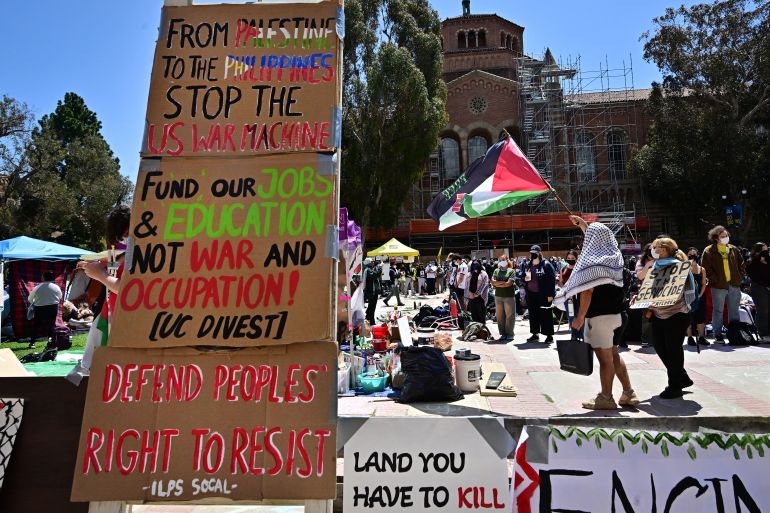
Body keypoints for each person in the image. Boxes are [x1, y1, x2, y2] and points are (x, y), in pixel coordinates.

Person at [560, 216, 639, 410]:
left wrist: (579, 318)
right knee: (613, 354)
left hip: (600, 316)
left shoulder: (592, 263)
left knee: (605, 360)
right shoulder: (615, 258)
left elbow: (588, 291)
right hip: (619, 315)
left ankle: (606, 397)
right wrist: (584, 226)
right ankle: (629, 392)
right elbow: (596, 239)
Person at [648, 237, 697, 399]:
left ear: (665, 249)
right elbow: (650, 287)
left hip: (676, 314)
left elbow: (677, 291)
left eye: (656, 247)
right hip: (658, 314)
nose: (653, 250)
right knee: (660, 347)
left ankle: (674, 386)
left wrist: (659, 301)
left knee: (673, 350)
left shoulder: (678, 266)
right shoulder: (655, 265)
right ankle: (681, 377)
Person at [702, 226, 745, 342]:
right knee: (718, 310)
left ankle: (734, 333)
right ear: (716, 238)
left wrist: (739, 277)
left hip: (734, 284)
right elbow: (706, 268)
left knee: (734, 310)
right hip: (718, 286)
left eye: (726, 236)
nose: (726, 238)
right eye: (723, 236)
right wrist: (714, 280)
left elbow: (742, 264)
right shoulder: (709, 251)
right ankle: (718, 334)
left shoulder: (734, 249)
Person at [519, 245, 556, 343]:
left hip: (543, 294)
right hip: (531, 294)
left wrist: (550, 294)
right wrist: (523, 278)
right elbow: (526, 278)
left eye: (534, 253)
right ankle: (535, 334)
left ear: (539, 253)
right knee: (533, 314)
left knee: (546, 315)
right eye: (531, 253)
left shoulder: (546, 264)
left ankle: (549, 336)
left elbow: (551, 280)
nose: (532, 254)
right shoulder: (528, 264)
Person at [27, 270, 63, 348]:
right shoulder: (56, 287)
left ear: (43, 278)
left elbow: (30, 299)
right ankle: (50, 342)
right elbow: (60, 297)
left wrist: (36, 301)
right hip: (53, 307)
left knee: (36, 325)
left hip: (40, 308)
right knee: (51, 325)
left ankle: (32, 343)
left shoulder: (37, 287)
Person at [685, 247, 709, 347]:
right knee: (689, 317)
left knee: (701, 317)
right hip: (688, 296)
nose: (692, 256)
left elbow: (704, 283)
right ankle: (690, 337)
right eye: (690, 254)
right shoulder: (685, 268)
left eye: (694, 254)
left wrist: (700, 295)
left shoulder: (702, 269)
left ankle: (701, 337)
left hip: (699, 296)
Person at [747, 242, 770, 341]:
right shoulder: (752, 261)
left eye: (767, 250)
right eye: (763, 250)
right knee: (762, 311)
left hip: (768, 287)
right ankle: (763, 333)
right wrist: (766, 285)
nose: (766, 252)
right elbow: (754, 276)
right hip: (759, 288)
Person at [491, 254, 516, 341]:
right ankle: (503, 333)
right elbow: (493, 282)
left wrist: (498, 283)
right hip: (498, 296)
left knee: (510, 315)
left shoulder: (511, 271)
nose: (501, 261)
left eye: (503, 260)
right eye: (500, 260)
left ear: (507, 260)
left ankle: (510, 333)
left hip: (509, 296)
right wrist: (503, 283)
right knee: (499, 316)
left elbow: (509, 283)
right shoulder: (496, 271)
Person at [560, 250, 581, 337]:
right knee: (571, 317)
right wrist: (564, 288)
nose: (570, 259)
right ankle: (574, 336)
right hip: (568, 298)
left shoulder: (579, 268)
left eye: (572, 258)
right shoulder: (563, 269)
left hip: (579, 296)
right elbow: (561, 282)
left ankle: (581, 336)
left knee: (579, 316)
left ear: (576, 258)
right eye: (568, 258)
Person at [362, 258, 382, 325]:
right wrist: (380, 269)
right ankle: (370, 320)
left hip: (373, 291)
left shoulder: (370, 270)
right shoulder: (368, 270)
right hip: (371, 291)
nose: (373, 263)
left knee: (372, 306)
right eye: (372, 262)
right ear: (368, 263)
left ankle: (369, 318)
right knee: (372, 306)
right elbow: (374, 275)